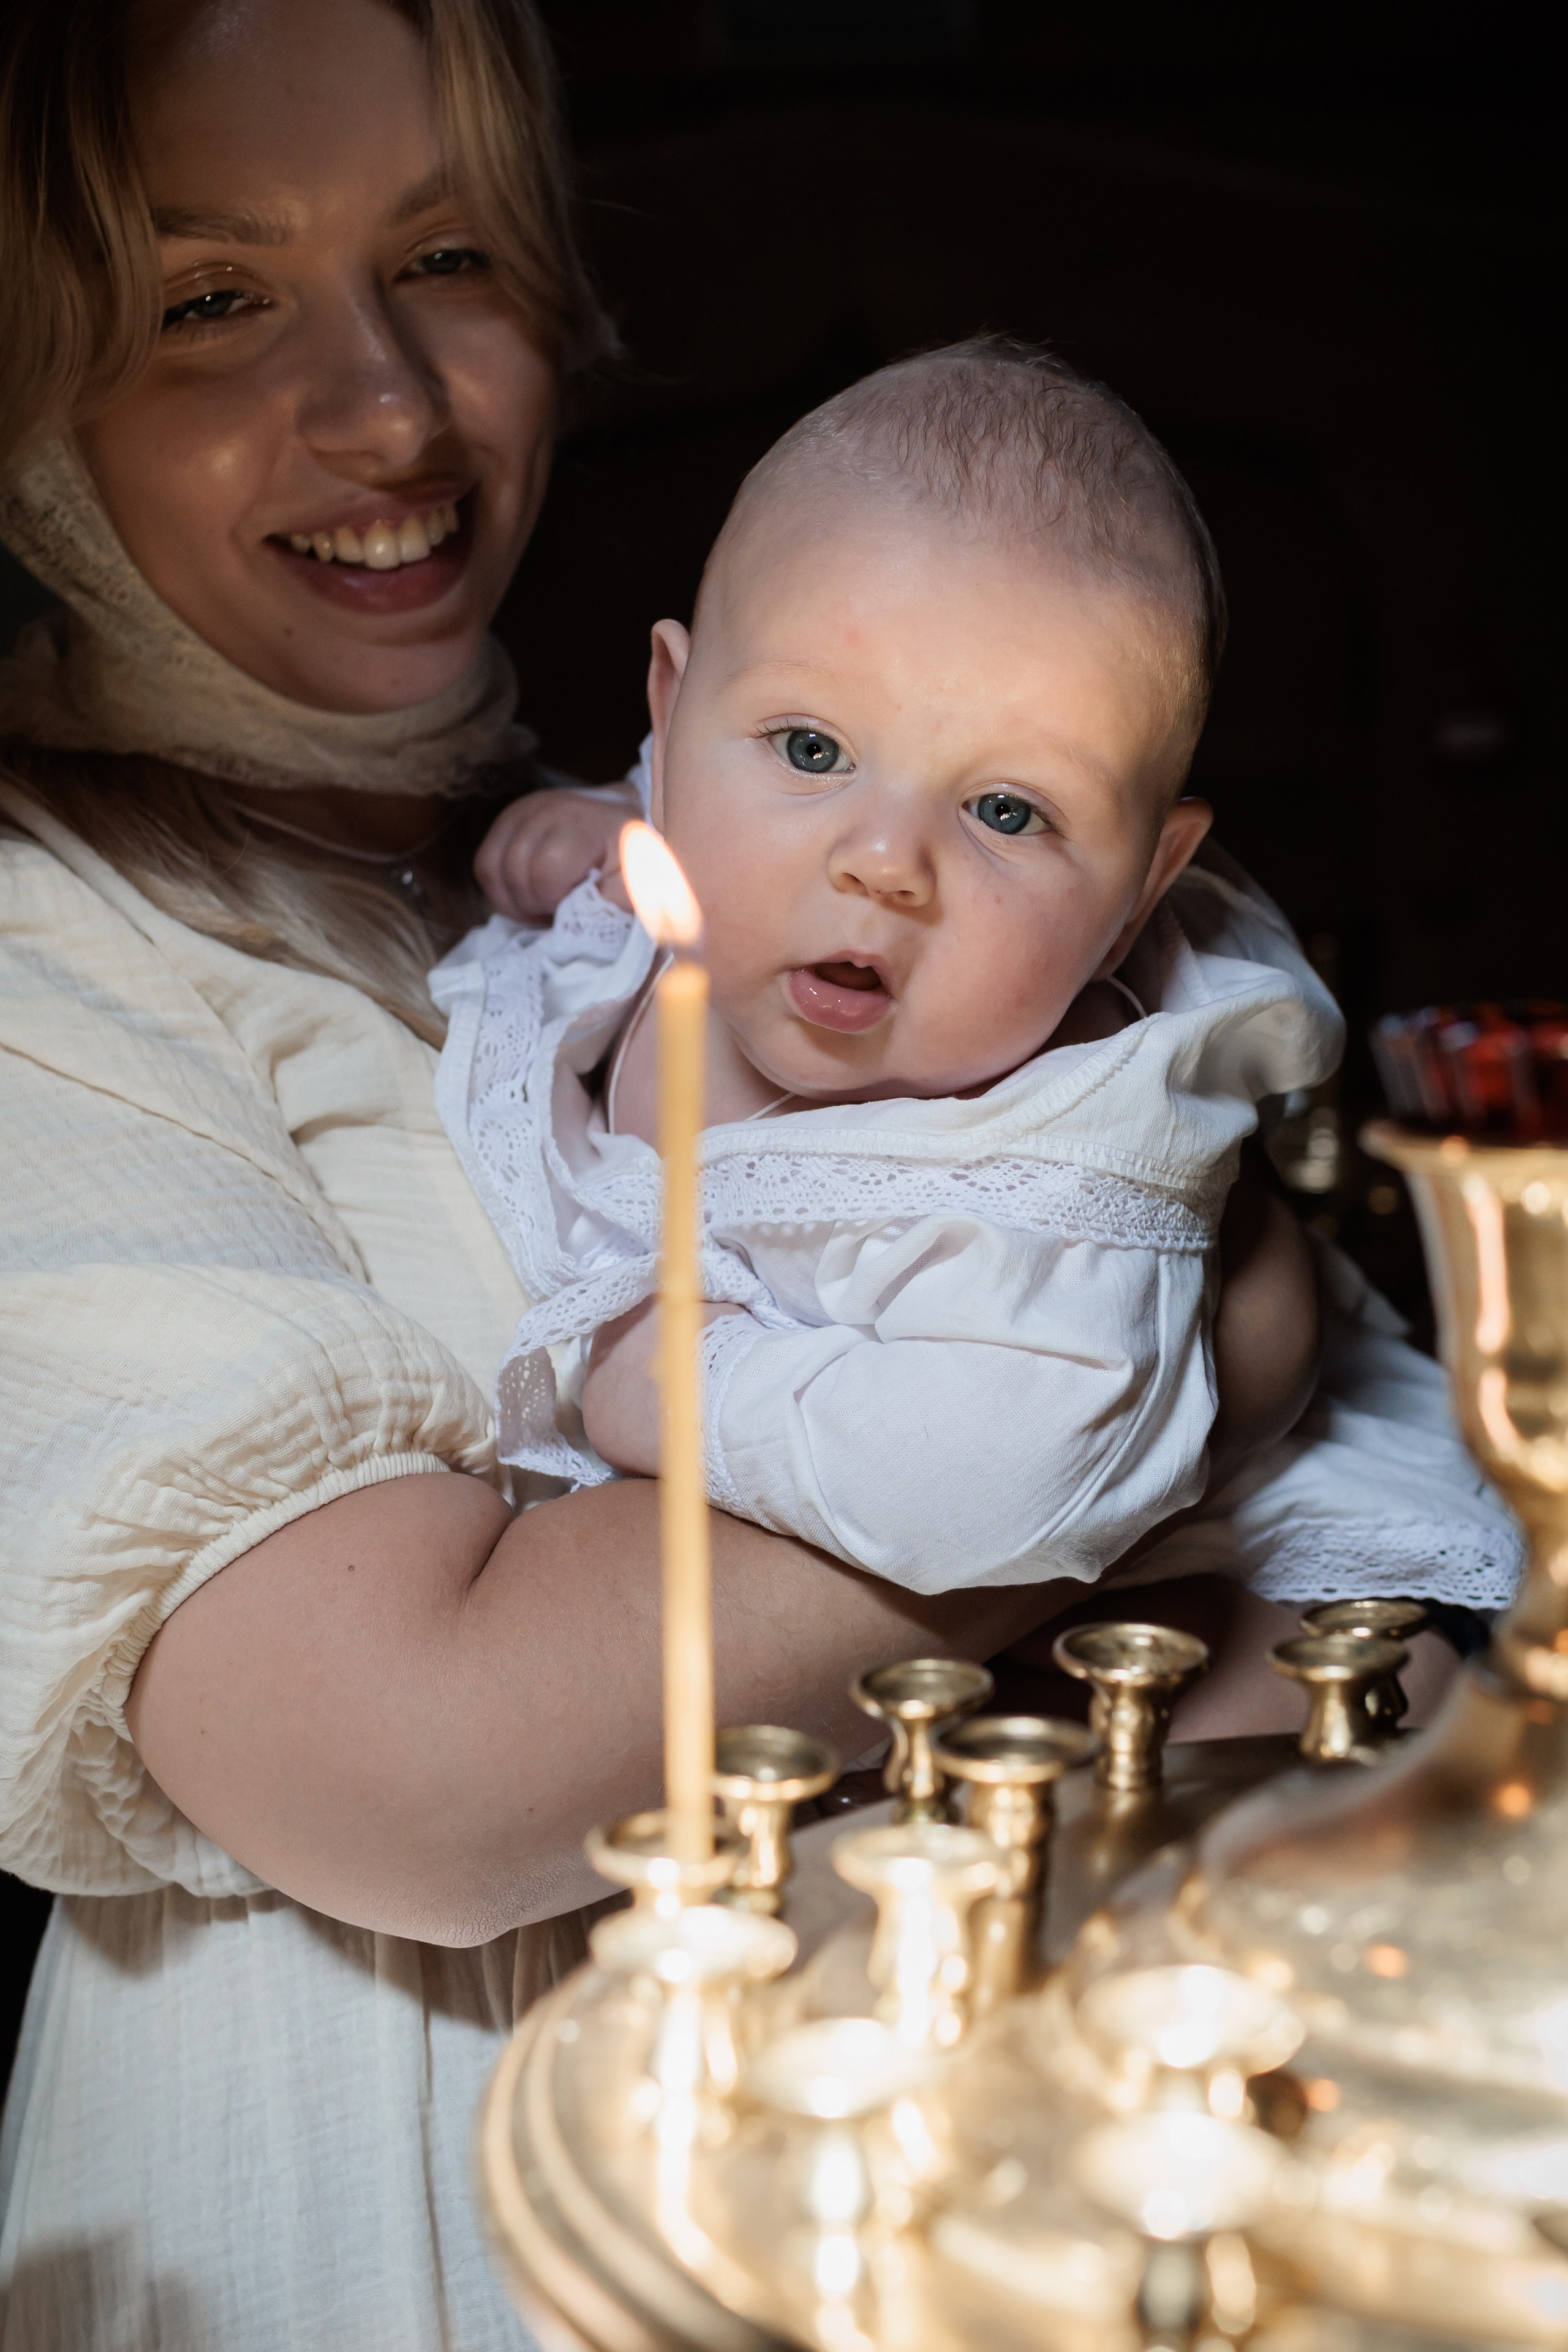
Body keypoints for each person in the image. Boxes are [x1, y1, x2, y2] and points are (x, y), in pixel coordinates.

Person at [0, 6, 1088, 2347]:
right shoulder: (37, 941)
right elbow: (416, 1762)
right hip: (384, 2227)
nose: (391, 412)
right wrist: (1141, 1377)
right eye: (209, 299)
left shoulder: (671, 828)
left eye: (450, 257)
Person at [432, 342, 1525, 1616]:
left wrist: (678, 1383)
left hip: (1185, 1601)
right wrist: (620, 816)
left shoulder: (1058, 1189)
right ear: (672, 715)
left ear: (1135, 894)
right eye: (811, 745)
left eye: (1005, 811)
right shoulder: (700, 851)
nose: (884, 861)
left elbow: (984, 1488)